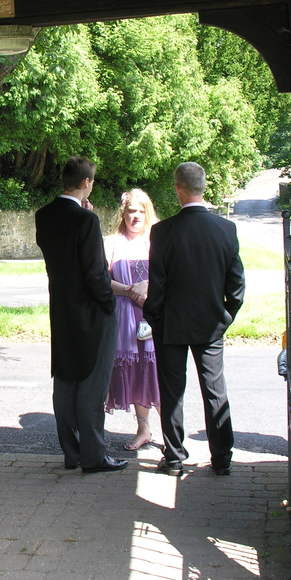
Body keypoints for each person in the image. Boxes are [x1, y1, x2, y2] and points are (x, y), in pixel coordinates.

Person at [143, 162, 245, 476]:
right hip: (211, 324)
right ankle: (222, 458)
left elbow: (157, 284)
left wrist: (154, 317)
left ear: (178, 188)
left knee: (172, 392)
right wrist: (225, 315)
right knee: (215, 391)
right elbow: (236, 285)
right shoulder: (226, 229)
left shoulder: (163, 232)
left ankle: (174, 457)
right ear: (203, 186)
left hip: (171, 324)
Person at [35, 156, 127, 474]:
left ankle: (71, 452)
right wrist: (109, 304)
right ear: (86, 182)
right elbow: (95, 272)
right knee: (91, 382)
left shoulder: (44, 215)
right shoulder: (87, 221)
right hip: (91, 311)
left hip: (61, 309)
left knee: (65, 378)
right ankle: (94, 456)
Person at [104, 188, 160, 452]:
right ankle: (143, 428)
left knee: (158, 373)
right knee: (136, 372)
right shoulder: (111, 243)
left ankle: (173, 434)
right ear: (122, 214)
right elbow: (101, 280)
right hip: (125, 316)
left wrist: (147, 286)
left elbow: (171, 275)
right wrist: (130, 290)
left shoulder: (158, 240)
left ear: (148, 213)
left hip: (155, 316)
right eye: (130, 211)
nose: (136, 216)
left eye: (141, 211)